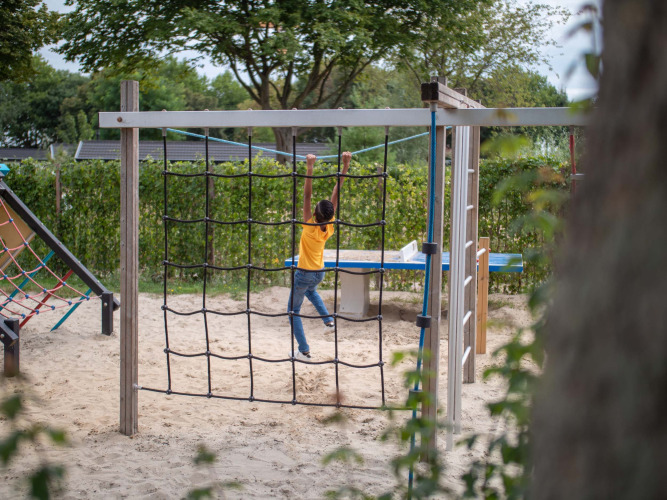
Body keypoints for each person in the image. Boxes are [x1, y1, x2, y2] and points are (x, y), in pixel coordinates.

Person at [288, 151, 352, 361]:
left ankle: (304, 351)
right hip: (318, 272)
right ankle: (328, 321)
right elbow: (337, 190)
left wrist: (309, 168)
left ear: (314, 214)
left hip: (305, 272)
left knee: (293, 311)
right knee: (311, 292)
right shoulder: (330, 226)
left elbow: (306, 196)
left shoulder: (309, 226)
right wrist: (345, 165)